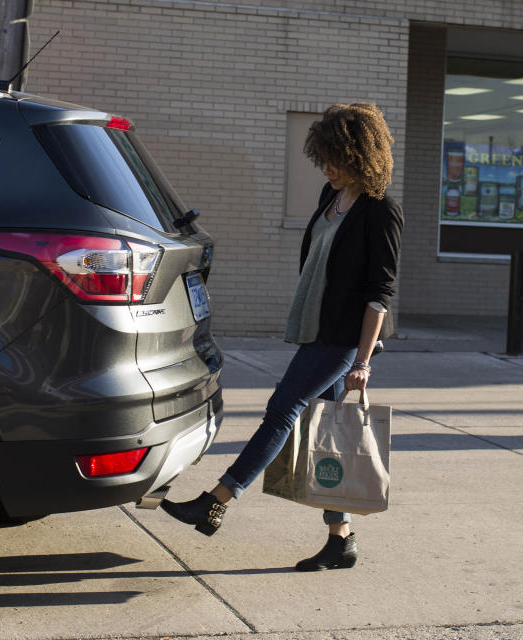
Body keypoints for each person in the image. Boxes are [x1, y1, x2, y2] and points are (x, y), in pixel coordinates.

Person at [161, 102, 404, 571]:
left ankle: (215, 502)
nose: (330, 168)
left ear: (362, 156)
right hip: (316, 327)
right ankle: (341, 539)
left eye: (340, 159)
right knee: (326, 430)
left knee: (282, 409)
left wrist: (362, 361)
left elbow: (381, 291)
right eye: (326, 158)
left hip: (342, 338)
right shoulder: (328, 197)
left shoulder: (381, 211)